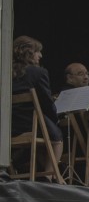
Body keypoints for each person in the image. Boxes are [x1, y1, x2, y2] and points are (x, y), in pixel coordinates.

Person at [11, 36, 63, 176]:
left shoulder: (5, 73)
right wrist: (55, 120)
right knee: (57, 139)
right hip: (31, 124)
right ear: (28, 53)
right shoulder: (38, 73)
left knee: (43, 142)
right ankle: (48, 177)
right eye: (37, 51)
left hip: (10, 126)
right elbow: (47, 103)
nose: (40, 55)